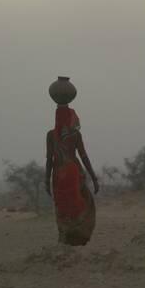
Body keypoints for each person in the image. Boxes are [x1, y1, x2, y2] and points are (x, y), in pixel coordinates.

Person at [45, 105, 98, 245]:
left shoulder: (50, 135)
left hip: (58, 175)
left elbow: (49, 159)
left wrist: (46, 180)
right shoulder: (75, 135)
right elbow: (83, 156)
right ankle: (79, 237)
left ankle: (65, 237)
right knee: (82, 202)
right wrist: (93, 176)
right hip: (73, 173)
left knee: (62, 206)